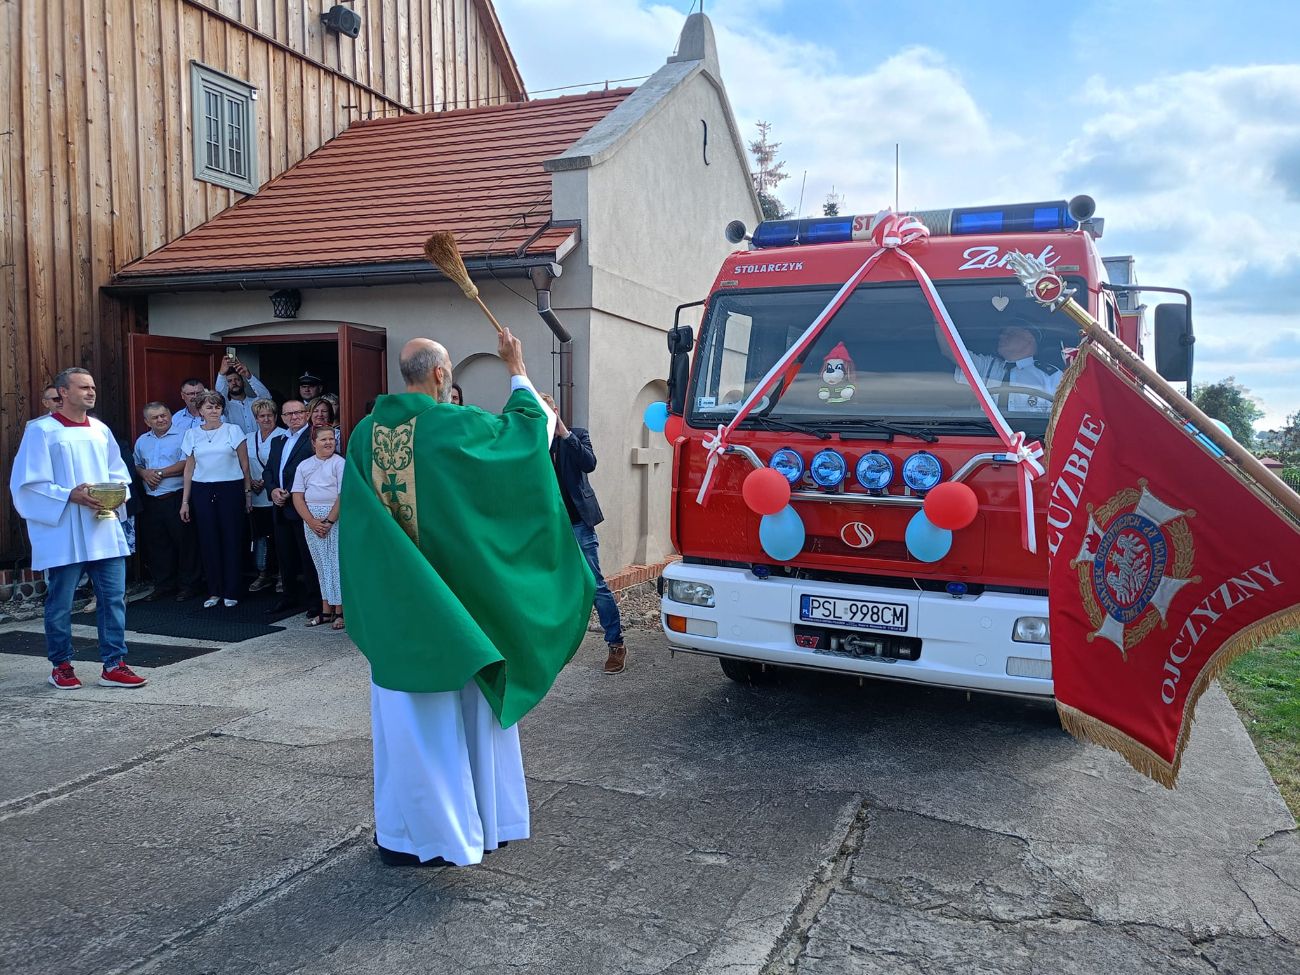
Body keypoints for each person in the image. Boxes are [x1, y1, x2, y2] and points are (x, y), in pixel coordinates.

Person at [340, 328, 594, 868]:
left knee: (410, 724)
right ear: (439, 375)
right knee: (474, 715)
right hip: (460, 604)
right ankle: (482, 827)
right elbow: (521, 439)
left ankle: (409, 839)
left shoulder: (363, 435)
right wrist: (517, 368)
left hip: (395, 606)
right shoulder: (450, 426)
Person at [9, 367, 147, 689]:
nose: (91, 392)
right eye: (83, 387)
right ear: (63, 393)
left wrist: (114, 494)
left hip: (102, 527)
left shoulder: (100, 429)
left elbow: (119, 473)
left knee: (113, 598)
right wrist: (69, 494)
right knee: (60, 601)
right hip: (64, 530)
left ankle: (114, 664)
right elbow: (27, 483)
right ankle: (61, 664)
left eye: (93, 387)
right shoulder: (41, 431)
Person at [540, 392, 626, 674]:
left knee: (594, 584)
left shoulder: (575, 435)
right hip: (550, 527)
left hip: (577, 523)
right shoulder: (533, 444)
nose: (546, 416)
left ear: (556, 410)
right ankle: (552, 649)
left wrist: (564, 433)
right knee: (552, 586)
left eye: (549, 410)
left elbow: (589, 463)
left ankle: (616, 644)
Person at [180, 391, 252, 608]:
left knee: (231, 539)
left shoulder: (233, 430)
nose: (214, 410)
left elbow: (245, 465)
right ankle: (214, 591)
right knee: (208, 541)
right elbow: (189, 470)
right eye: (209, 407)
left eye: (217, 406)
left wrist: (248, 494)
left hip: (231, 488)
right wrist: (185, 501)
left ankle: (231, 590)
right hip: (202, 490)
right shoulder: (191, 434)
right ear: (200, 410)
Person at [133, 402, 202, 601]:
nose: (161, 420)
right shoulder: (142, 441)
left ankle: (190, 585)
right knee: (158, 545)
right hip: (152, 501)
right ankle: (164, 585)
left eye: (164, 415)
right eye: (155, 418)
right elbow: (136, 463)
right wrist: (144, 473)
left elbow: (186, 463)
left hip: (177, 497)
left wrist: (160, 473)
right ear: (147, 422)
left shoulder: (184, 435)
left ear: (170, 414)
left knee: (185, 544)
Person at [263, 399, 320, 614]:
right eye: (288, 414)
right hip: (279, 506)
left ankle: (315, 601)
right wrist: (273, 490)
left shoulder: (313, 438)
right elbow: (269, 470)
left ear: (306, 414)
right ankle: (289, 596)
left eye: (297, 413)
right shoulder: (278, 440)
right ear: (283, 418)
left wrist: (289, 490)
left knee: (308, 556)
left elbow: (315, 469)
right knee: (285, 556)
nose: (293, 417)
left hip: (304, 506)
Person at [939, 320, 1062, 413]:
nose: (1001, 337)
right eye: (1002, 334)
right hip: (985, 437)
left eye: (1010, 334)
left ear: (1029, 338)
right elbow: (950, 350)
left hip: (1032, 441)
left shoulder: (1052, 376)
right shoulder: (987, 365)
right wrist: (936, 313)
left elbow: (1061, 418)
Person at [292, 427, 345, 629]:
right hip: (311, 520)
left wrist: (329, 521)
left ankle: (339, 611)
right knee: (321, 565)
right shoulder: (304, 466)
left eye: (331, 439)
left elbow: (342, 495)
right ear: (314, 442)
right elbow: (297, 496)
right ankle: (325, 610)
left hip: (333, 519)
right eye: (324, 439)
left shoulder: (339, 463)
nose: (328, 442)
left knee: (334, 564)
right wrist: (311, 522)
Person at [245, 398, 285, 593]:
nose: (266, 419)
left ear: (276, 417)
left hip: (275, 494)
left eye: (270, 415)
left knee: (279, 537)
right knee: (260, 536)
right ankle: (263, 573)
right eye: (262, 416)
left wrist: (267, 483)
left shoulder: (283, 436)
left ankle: (282, 575)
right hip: (255, 494)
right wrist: (250, 481)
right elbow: (242, 463)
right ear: (256, 419)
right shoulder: (247, 437)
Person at [215, 356, 272, 436]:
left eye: (237, 379)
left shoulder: (255, 403)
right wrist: (222, 373)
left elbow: (267, 397)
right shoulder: (226, 406)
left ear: (244, 383)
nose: (234, 383)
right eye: (229, 381)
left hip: (258, 445)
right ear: (226, 386)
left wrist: (249, 376)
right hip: (236, 447)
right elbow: (219, 396)